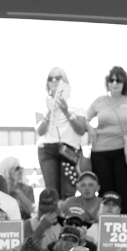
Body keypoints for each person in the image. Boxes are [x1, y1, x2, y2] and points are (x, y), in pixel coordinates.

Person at [84, 66, 127, 212]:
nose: (115, 83)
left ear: (124, 83)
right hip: (100, 152)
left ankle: (122, 227)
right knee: (105, 194)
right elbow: (84, 119)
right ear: (107, 82)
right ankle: (104, 227)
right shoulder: (100, 101)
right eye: (111, 80)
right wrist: (89, 128)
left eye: (118, 80)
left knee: (122, 193)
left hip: (123, 152)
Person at [35, 67, 87, 198]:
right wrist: (49, 111)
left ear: (65, 81)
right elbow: (40, 131)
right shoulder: (42, 102)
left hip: (69, 149)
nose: (54, 81)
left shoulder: (76, 102)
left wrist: (66, 112)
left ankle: (68, 218)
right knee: (52, 191)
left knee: (68, 192)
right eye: (50, 78)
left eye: (58, 78)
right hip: (47, 149)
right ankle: (54, 218)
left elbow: (81, 130)